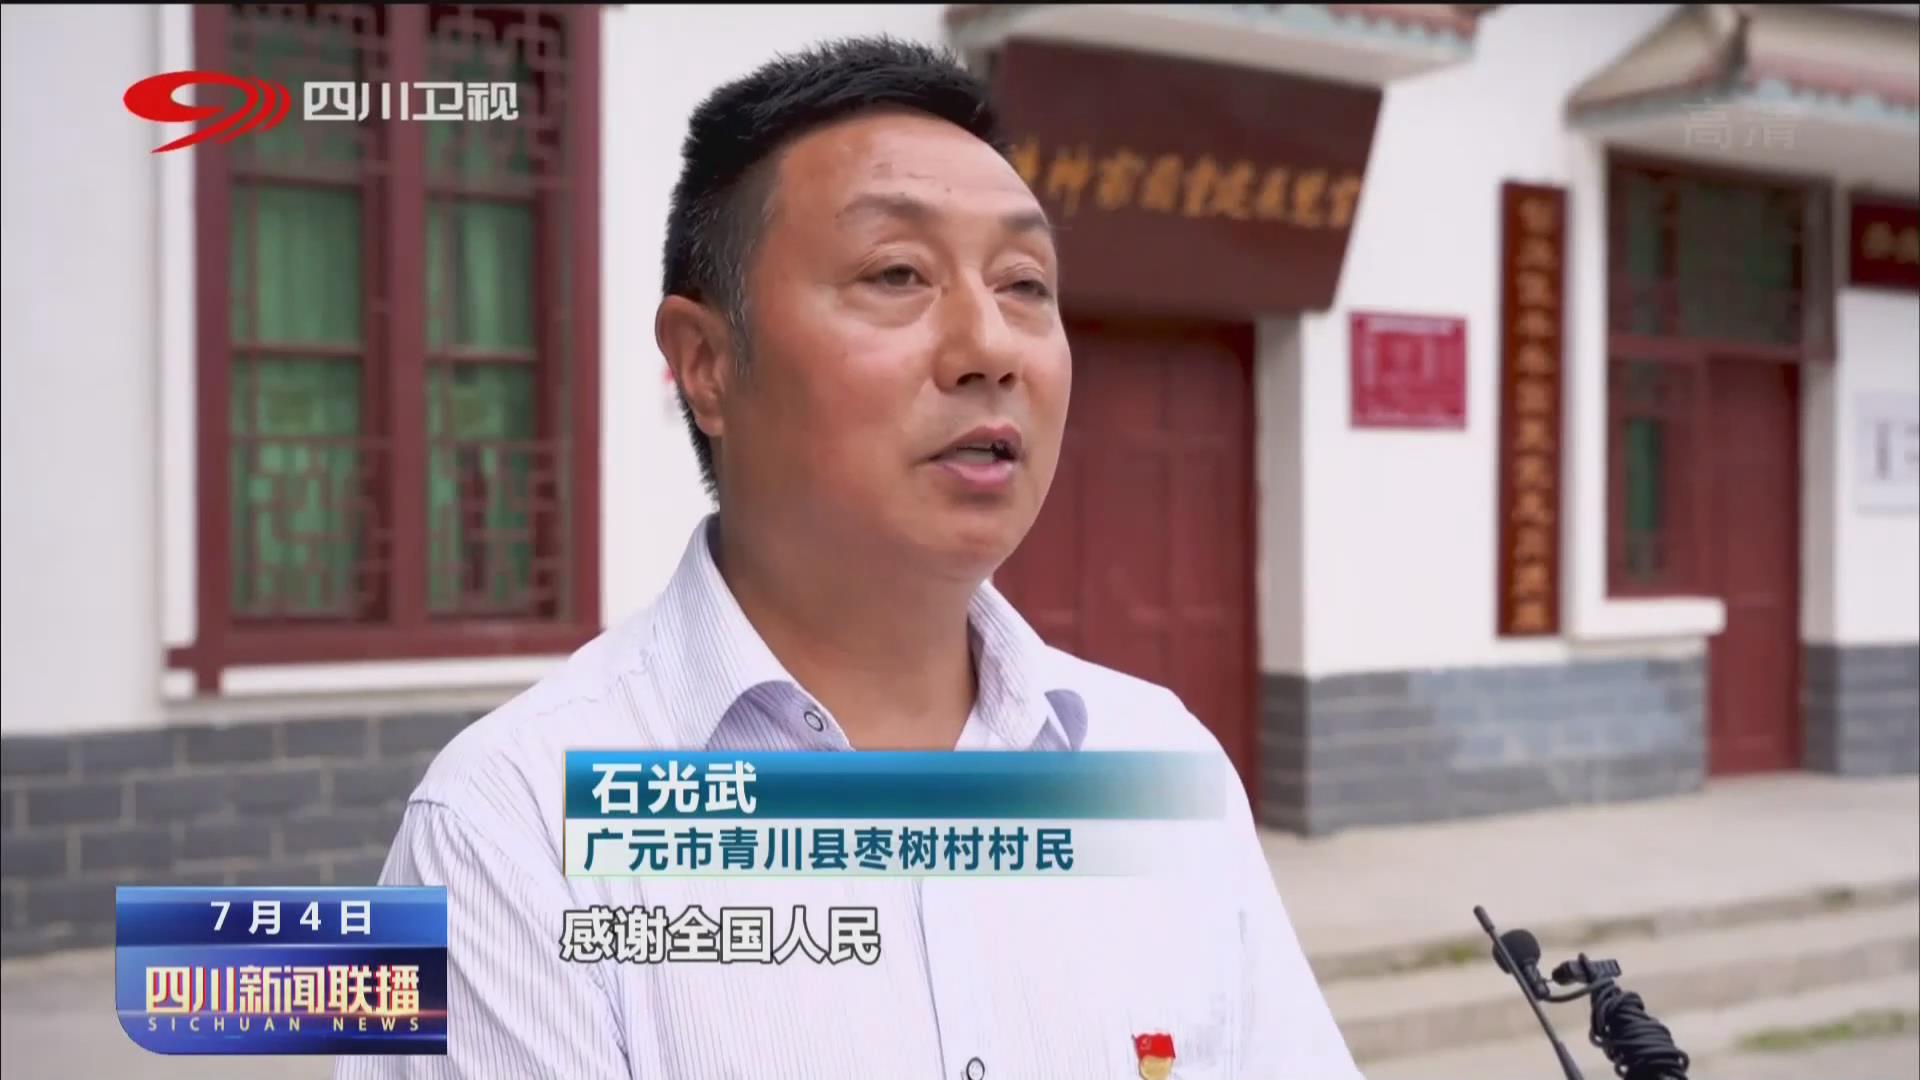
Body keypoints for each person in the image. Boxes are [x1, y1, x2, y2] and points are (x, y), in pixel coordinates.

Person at [339, 35, 1363, 1080]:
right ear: (707, 364)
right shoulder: (506, 831)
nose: (991, 348)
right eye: (897, 273)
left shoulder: (1162, 766)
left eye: (1024, 284)